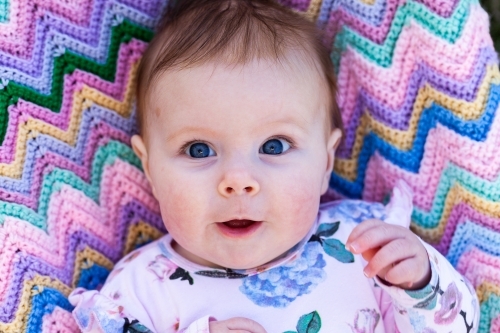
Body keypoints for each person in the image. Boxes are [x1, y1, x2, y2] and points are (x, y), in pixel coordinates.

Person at [68, 0, 479, 332]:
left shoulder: (364, 247)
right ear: (150, 168)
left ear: (326, 163)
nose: (238, 181)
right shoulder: (142, 288)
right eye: (198, 150)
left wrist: (422, 285)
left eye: (275, 145)